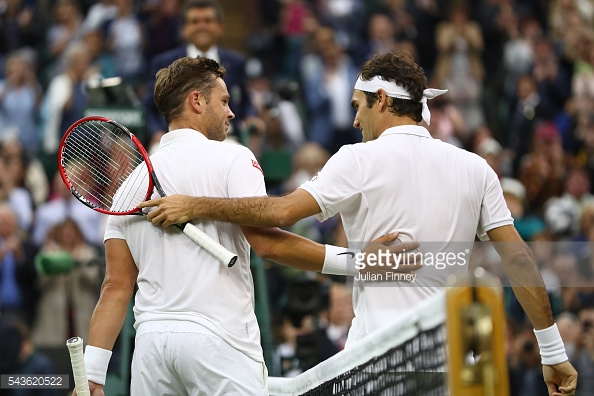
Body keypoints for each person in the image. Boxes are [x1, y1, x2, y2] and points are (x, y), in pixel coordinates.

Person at [140, 51, 579, 394]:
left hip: (383, 361)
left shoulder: (356, 159)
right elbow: (519, 259)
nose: (354, 120)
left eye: (358, 107)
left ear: (382, 100)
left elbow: (277, 214)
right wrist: (552, 350)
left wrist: (191, 204)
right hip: (467, 359)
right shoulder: (476, 167)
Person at [78, 56, 418, 396]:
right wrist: (358, 262)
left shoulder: (128, 186)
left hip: (152, 351)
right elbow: (268, 245)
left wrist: (92, 375)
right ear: (196, 101)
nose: (231, 113)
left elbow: (116, 287)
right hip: (219, 343)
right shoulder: (233, 157)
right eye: (224, 102)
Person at [143, 0, 255, 148]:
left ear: (220, 27)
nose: (202, 26)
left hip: (226, 139)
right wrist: (156, 131)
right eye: (195, 21)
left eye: (207, 21)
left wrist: (252, 118)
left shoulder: (237, 62)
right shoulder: (164, 63)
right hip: (175, 140)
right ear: (183, 28)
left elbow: (245, 101)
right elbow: (149, 105)